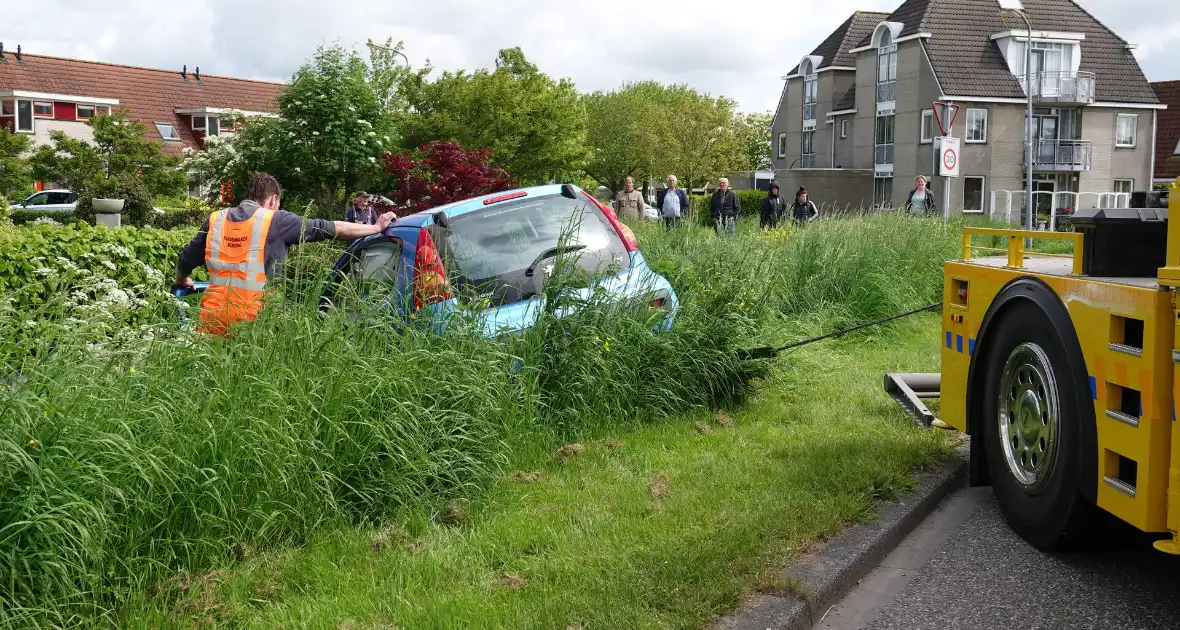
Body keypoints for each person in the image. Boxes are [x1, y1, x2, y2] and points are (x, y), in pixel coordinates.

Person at [174, 172, 395, 336]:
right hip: (254, 325)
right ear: (272, 199)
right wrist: (376, 228)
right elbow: (333, 228)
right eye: (278, 203)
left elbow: (186, 259)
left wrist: (182, 279)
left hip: (212, 322)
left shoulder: (215, 219)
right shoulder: (276, 220)